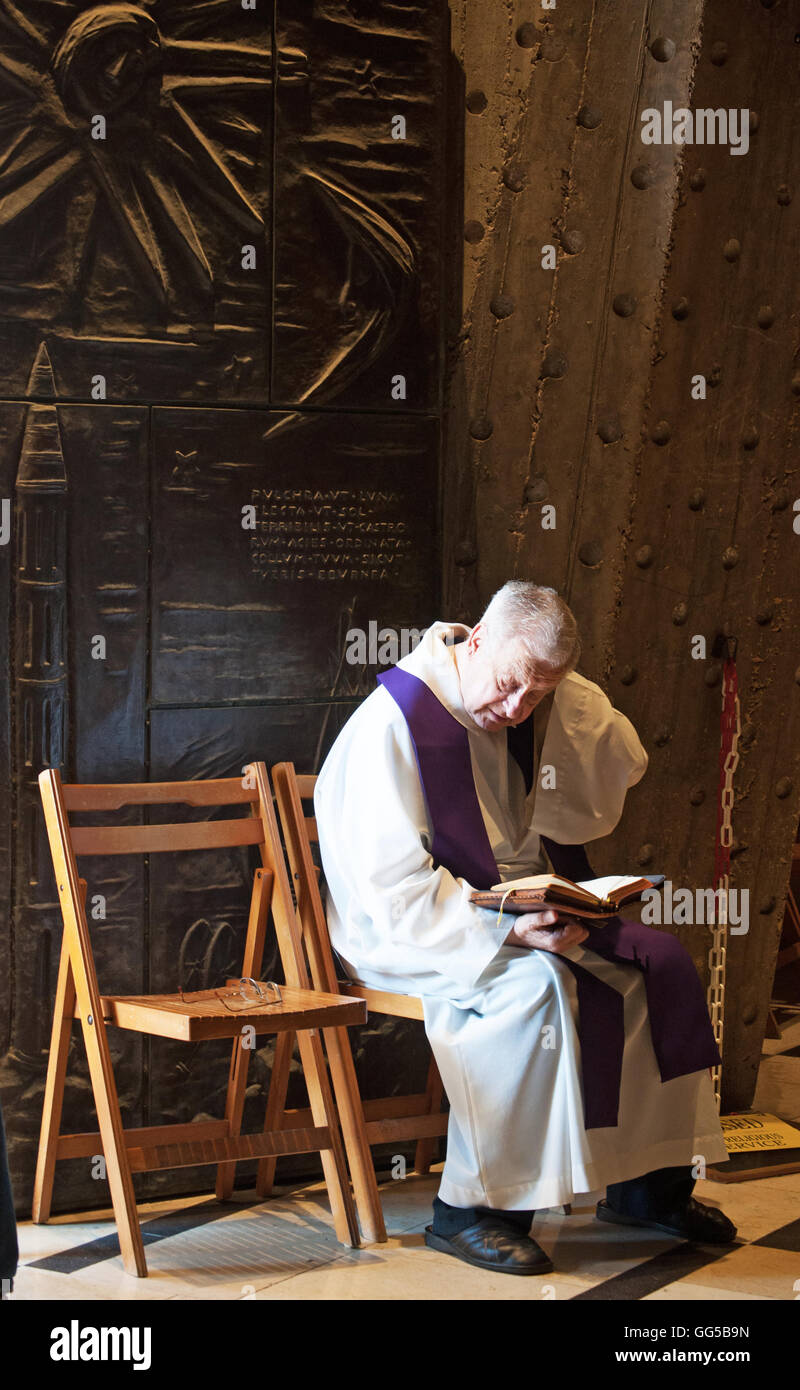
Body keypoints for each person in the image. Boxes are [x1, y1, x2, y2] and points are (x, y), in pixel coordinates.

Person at [315, 581, 735, 1275]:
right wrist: (505, 931)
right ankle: (474, 1209)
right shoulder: (391, 723)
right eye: (511, 685)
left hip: (514, 906)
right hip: (416, 926)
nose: (515, 710)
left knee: (651, 967)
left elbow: (617, 754)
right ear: (475, 639)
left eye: (535, 696)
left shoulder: (529, 686)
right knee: (532, 990)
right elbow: (385, 890)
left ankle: (646, 1184)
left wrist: (553, 692)